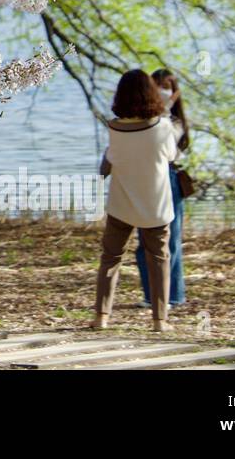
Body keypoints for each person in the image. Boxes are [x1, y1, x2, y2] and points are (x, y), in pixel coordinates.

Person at [93, 69, 179, 332]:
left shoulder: (114, 128)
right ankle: (159, 320)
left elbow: (111, 160)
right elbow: (172, 156)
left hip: (121, 203)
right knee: (159, 260)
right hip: (156, 205)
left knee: (111, 259)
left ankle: (101, 317)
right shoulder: (162, 127)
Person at [135, 68, 190, 309]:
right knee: (144, 242)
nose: (161, 91)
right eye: (156, 86)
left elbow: (167, 145)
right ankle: (151, 296)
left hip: (169, 178)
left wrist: (164, 110)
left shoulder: (173, 122)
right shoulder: (144, 120)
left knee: (171, 239)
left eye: (166, 86)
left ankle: (173, 296)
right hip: (145, 178)